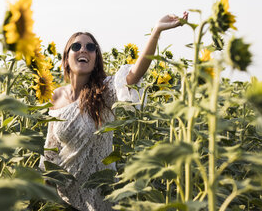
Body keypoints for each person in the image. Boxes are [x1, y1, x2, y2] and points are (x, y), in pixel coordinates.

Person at [39, 12, 188, 211]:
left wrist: (156, 31)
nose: (83, 49)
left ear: (95, 59)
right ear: (66, 58)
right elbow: (51, 149)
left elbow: (135, 74)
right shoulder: (56, 96)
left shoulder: (104, 91)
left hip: (100, 197)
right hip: (64, 198)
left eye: (90, 47)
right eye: (77, 46)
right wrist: (43, 191)